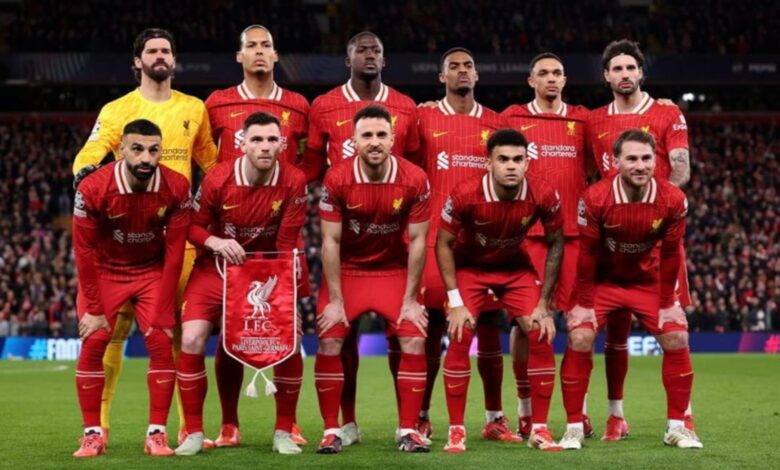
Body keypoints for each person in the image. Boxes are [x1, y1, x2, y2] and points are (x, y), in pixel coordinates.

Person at [72, 28, 218, 445]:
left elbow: (210, 161)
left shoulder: (193, 108)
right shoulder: (118, 109)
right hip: (121, 236)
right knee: (108, 336)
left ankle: (186, 428)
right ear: (137, 61)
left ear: (174, 59)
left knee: (176, 335)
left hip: (175, 238)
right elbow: (92, 149)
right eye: (152, 51)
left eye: (166, 50)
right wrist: (84, 174)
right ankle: (99, 428)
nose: (160, 56)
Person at [304, 31, 421, 446]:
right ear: (347, 58)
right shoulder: (323, 107)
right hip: (346, 250)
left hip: (392, 253)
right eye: (361, 50)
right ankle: (340, 426)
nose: (369, 55)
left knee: (407, 336)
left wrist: (412, 295)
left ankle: (409, 426)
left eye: (376, 50)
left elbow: (415, 169)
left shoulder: (406, 108)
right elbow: (311, 168)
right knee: (337, 337)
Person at [558, 129, 702, 450]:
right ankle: (573, 428)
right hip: (602, 282)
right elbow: (587, 253)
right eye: (632, 158)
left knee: (677, 336)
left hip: (646, 282)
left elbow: (670, 253)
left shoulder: (672, 199)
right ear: (616, 162)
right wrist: (583, 303)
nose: (640, 165)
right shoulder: (595, 197)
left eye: (647, 158)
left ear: (656, 161)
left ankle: (677, 427)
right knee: (579, 337)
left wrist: (668, 302)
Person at [175, 112, 308, 456]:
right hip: (216, 268)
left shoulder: (295, 180)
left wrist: (285, 297)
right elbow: (192, 227)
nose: (265, 147)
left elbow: (286, 242)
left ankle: (283, 431)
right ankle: (196, 432)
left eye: (271, 140)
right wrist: (216, 242)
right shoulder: (218, 178)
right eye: (257, 140)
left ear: (282, 144)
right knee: (191, 338)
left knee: (291, 339)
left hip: (268, 269)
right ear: (242, 144)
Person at [203, 24, 310, 448]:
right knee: (229, 333)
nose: (260, 51)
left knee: (287, 330)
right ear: (240, 55)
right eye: (252, 45)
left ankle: (290, 422)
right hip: (229, 240)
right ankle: (229, 423)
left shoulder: (298, 105)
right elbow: (206, 159)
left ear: (276, 54)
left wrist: (290, 190)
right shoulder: (217, 103)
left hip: (280, 236)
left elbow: (310, 159)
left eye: (267, 45)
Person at [586, 39, 693, 440]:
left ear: (642, 73)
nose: (625, 74)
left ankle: (683, 418)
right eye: (617, 68)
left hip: (658, 238)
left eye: (631, 67)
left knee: (674, 325)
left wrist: (657, 210)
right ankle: (615, 415)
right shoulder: (593, 120)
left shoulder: (667, 112)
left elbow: (681, 169)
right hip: (612, 242)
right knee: (614, 333)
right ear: (606, 76)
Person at [436, 128, 564, 453]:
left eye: (518, 159)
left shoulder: (544, 194)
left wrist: (544, 304)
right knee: (461, 331)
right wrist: (455, 301)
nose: (511, 166)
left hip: (515, 268)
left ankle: (539, 429)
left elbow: (556, 243)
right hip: (471, 268)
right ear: (488, 162)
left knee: (539, 330)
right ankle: (456, 431)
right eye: (503, 159)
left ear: (527, 163)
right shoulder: (465, 194)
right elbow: (443, 243)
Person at [314, 104, 431, 454]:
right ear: (354, 141)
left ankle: (408, 431)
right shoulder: (336, 178)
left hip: (393, 271)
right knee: (330, 340)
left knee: (414, 339)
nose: (375, 141)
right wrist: (335, 302)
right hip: (348, 272)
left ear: (393, 139)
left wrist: (410, 300)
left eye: (382, 134)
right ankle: (332, 430)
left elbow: (419, 241)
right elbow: (330, 242)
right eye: (367, 135)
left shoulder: (415, 178)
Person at [71, 119, 191, 457]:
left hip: (151, 271)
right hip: (104, 271)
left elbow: (175, 252)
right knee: (94, 340)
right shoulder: (93, 188)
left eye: (153, 150)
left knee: (161, 341)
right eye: (137, 149)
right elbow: (83, 251)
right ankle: (92, 434)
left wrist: (164, 310)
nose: (146, 158)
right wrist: (94, 310)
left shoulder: (177, 186)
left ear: (161, 151)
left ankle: (157, 434)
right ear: (121, 148)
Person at [416, 47, 515, 443]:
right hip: (435, 242)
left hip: (483, 246)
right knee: (432, 327)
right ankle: (421, 416)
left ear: (477, 75)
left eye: (468, 66)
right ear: (441, 77)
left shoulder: (496, 122)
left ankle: (494, 418)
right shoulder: (423, 118)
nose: (462, 71)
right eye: (453, 66)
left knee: (489, 326)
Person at [501, 52, 592, 438]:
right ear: (531, 80)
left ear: (565, 80)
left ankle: (580, 411)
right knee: (526, 327)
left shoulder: (584, 120)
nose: (551, 78)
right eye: (543, 73)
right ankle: (525, 411)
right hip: (527, 238)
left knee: (579, 326)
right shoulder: (512, 118)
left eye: (557, 73)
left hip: (574, 237)